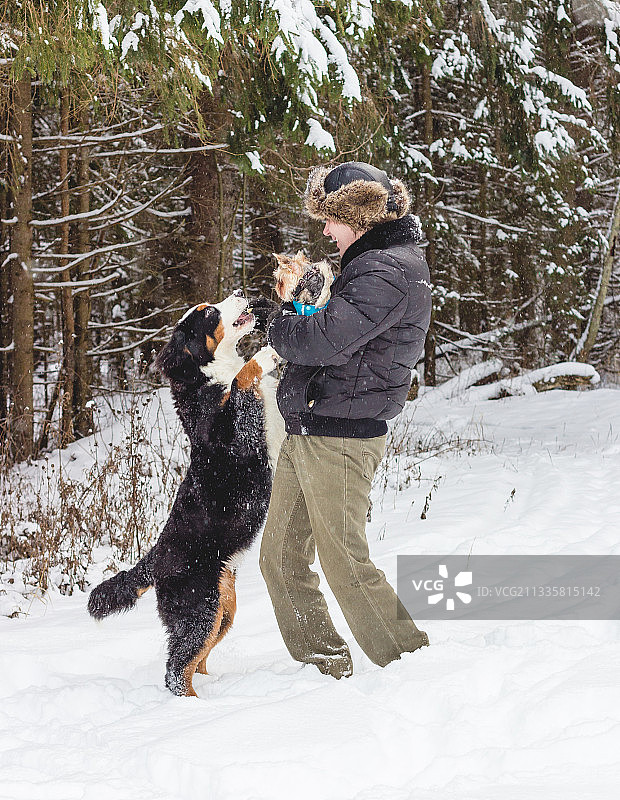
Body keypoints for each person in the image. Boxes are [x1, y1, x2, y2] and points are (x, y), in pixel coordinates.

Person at [260, 161, 432, 679]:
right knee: (281, 557)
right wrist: (312, 304)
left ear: (356, 215)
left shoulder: (385, 270)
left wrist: (284, 315)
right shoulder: (373, 265)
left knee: (345, 563)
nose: (326, 232)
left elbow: (320, 343)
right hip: (313, 425)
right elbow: (336, 335)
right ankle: (324, 666)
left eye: (331, 220)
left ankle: (414, 665)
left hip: (340, 436)